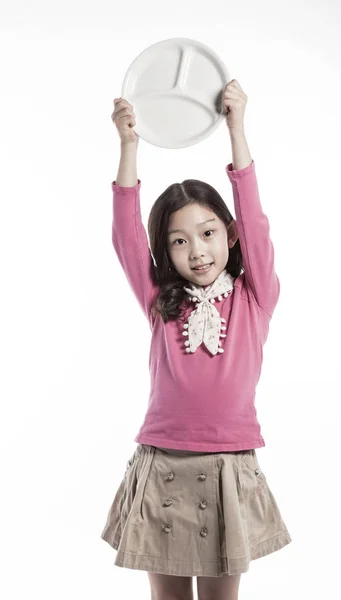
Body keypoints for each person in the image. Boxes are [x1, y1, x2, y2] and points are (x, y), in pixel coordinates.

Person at [101, 79, 291, 600]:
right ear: (166, 252)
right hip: (163, 462)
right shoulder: (161, 299)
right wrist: (128, 146)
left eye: (208, 234)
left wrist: (237, 129)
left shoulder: (255, 297)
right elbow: (125, 235)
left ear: (229, 236)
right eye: (179, 242)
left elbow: (255, 219)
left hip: (229, 463)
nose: (197, 252)